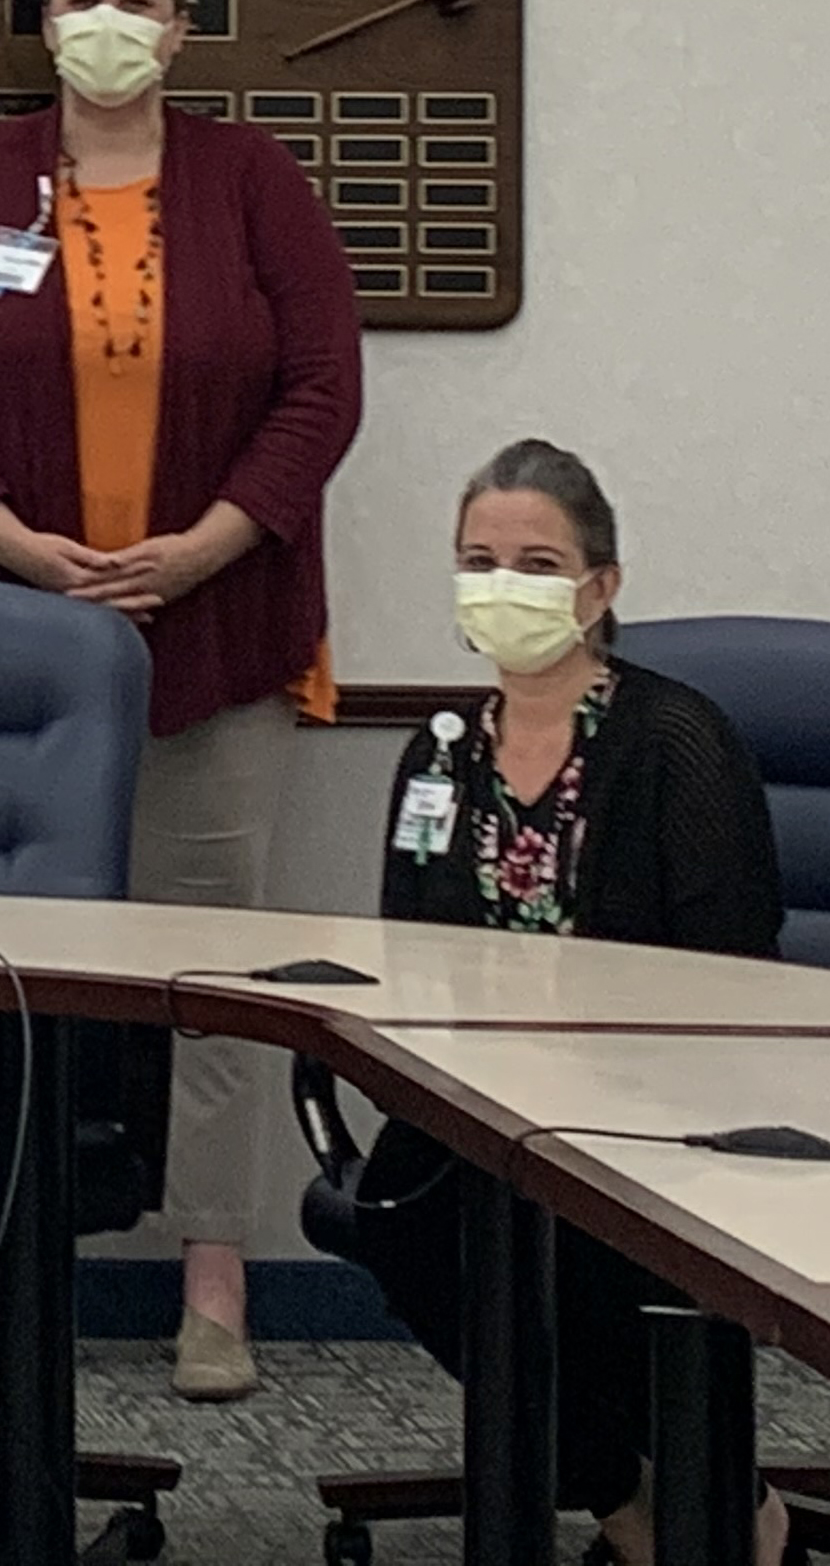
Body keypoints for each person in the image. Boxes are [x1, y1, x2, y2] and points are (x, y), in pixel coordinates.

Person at [0, 0, 363, 1399]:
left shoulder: (254, 180)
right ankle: (14, 1269)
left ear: (179, 34)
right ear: (47, 31)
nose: (106, 21)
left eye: (134, 1)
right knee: (10, 974)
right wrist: (22, 550)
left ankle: (216, 1284)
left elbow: (323, 393)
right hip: (8, 654)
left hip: (218, 634)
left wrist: (209, 544)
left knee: (213, 971)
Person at [353, 440, 787, 1566]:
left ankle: (689, 1500)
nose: (504, 585)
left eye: (537, 561)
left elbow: (733, 966)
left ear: (601, 586)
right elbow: (406, 944)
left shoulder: (674, 743)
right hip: (479, 1103)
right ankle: (637, 1499)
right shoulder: (441, 753)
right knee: (396, 1215)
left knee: (584, 1250)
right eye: (478, 560)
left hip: (654, 1109)